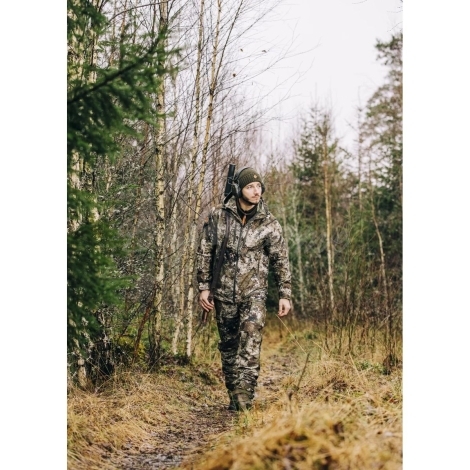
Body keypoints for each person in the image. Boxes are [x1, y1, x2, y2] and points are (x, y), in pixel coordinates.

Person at [196, 166, 292, 412]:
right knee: (229, 347)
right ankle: (233, 395)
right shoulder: (219, 216)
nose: (256, 191)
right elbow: (205, 251)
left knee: (250, 342)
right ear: (239, 189)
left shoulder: (268, 222)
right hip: (223, 293)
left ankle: (244, 401)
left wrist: (284, 294)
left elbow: (281, 259)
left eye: (259, 186)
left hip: (254, 294)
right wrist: (204, 287)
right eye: (250, 186)